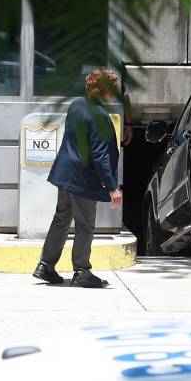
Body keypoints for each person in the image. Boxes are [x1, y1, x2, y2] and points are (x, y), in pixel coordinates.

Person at [33, 68, 123, 288]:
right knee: (85, 225)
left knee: (61, 219)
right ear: (106, 90)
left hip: (66, 173)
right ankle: (82, 271)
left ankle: (45, 265)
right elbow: (100, 154)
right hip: (82, 179)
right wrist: (113, 187)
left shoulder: (76, 105)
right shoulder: (100, 115)